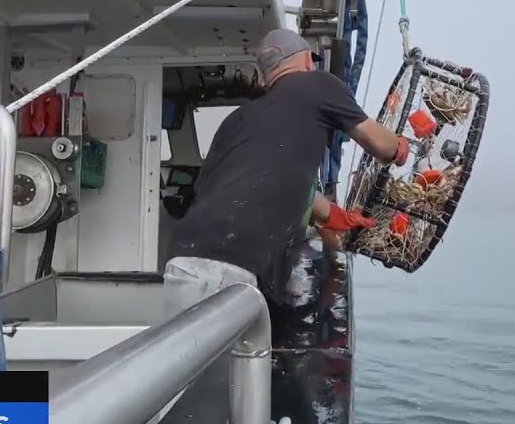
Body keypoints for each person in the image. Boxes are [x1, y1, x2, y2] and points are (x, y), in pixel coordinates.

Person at [163, 28, 408, 315]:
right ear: (306, 60)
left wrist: (331, 214)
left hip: (183, 263)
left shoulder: (237, 119)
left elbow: (254, 179)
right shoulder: (319, 85)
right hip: (231, 271)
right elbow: (382, 147)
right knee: (230, 360)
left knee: (197, 357)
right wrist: (399, 146)